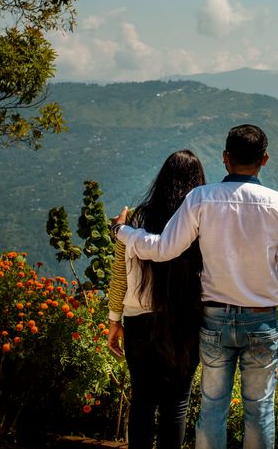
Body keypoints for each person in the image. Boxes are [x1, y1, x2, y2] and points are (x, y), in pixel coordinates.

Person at [112, 124, 278, 449]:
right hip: (260, 320)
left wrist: (123, 232)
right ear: (265, 159)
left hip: (213, 321)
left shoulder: (201, 199)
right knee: (259, 411)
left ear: (225, 158)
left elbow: (162, 249)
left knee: (213, 408)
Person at [105, 149, 206, 449]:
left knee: (143, 403)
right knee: (176, 404)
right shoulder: (201, 222)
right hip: (185, 321)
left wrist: (113, 320)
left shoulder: (136, 219)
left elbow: (120, 274)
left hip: (139, 321)